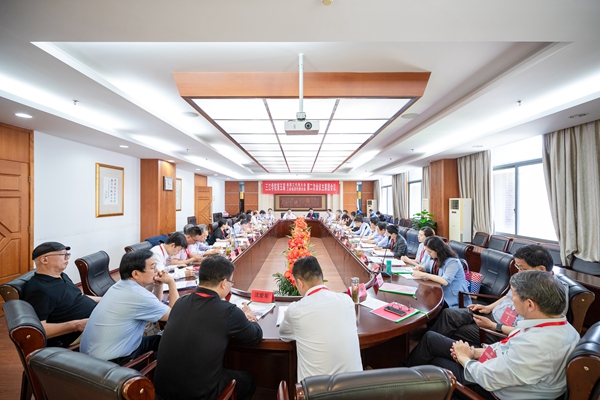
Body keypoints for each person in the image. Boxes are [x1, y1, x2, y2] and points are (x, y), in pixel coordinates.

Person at [403, 270, 579, 400]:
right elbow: (507, 350)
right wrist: (474, 352)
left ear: (530, 304)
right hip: (500, 368)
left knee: (436, 363)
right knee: (431, 339)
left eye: (514, 296)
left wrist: (465, 358)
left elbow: (488, 378)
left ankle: (401, 387)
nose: (511, 300)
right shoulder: (556, 326)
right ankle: (402, 376)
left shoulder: (536, 345)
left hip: (493, 390)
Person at [154, 256, 263, 400]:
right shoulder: (229, 312)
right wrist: (249, 316)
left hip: (161, 390)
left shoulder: (180, 302)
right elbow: (255, 337)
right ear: (223, 283)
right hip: (198, 394)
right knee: (248, 380)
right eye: (231, 282)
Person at [430, 244, 558, 345]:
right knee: (449, 314)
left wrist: (494, 326)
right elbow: (506, 297)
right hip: (493, 315)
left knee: (455, 330)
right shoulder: (525, 280)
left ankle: (434, 349)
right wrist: (488, 308)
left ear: (541, 269)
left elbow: (530, 331)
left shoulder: (551, 293)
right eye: (518, 268)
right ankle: (431, 345)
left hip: (500, 330)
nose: (519, 272)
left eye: (523, 269)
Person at [80, 250, 179, 363]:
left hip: (91, 358)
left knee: (159, 340)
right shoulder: (138, 295)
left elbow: (156, 308)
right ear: (135, 274)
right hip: (111, 364)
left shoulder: (120, 285)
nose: (157, 270)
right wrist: (171, 282)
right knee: (174, 344)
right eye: (152, 267)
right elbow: (175, 314)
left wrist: (158, 286)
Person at [279, 256, 362, 381]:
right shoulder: (347, 301)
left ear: (300, 283)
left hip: (317, 390)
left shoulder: (296, 310)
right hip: (356, 387)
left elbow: (284, 336)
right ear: (321, 276)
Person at [23, 242, 100, 347]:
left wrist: (103, 299)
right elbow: (37, 329)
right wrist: (76, 325)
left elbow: (78, 297)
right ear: (44, 260)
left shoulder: (62, 276)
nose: (67, 258)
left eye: (67, 254)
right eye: (63, 255)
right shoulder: (40, 290)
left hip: (95, 318)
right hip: (78, 333)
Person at [412, 236, 470, 309]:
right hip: (437, 289)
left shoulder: (453, 262)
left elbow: (445, 281)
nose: (428, 253)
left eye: (430, 251)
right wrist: (421, 268)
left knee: (429, 305)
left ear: (437, 250)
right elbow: (427, 267)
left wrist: (424, 274)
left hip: (452, 295)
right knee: (421, 299)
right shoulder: (434, 258)